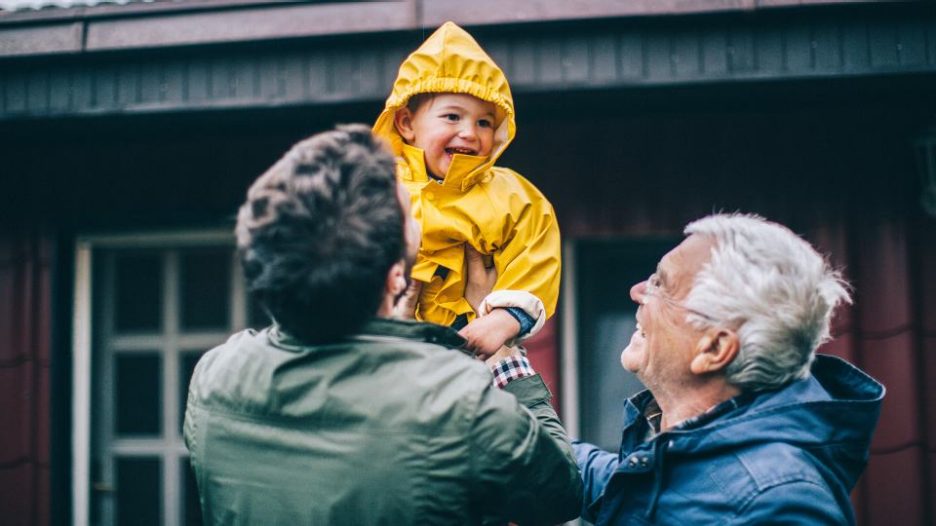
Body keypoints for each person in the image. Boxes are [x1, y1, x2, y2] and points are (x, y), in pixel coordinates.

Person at [183, 124, 583, 525]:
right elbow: (560, 495)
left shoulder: (215, 377)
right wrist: (503, 351)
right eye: (412, 219)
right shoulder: (455, 401)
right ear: (395, 277)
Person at [574, 213, 885, 525]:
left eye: (661, 284)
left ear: (713, 349)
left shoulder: (777, 505)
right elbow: (582, 474)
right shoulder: (686, 465)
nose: (637, 290)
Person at [373, 21, 561, 357]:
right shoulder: (380, 189)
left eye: (484, 122)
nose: (469, 133)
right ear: (406, 124)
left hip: (472, 336)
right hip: (388, 338)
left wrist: (502, 321)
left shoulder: (510, 195)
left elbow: (535, 255)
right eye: (452, 117)